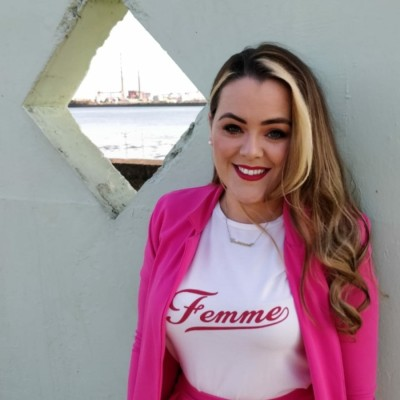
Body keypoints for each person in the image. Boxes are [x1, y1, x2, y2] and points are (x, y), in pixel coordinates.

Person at [127, 43, 379, 400]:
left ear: (302, 139)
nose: (250, 151)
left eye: (275, 133)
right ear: (211, 127)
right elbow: (145, 343)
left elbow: (357, 384)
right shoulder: (170, 215)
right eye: (233, 128)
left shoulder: (338, 234)